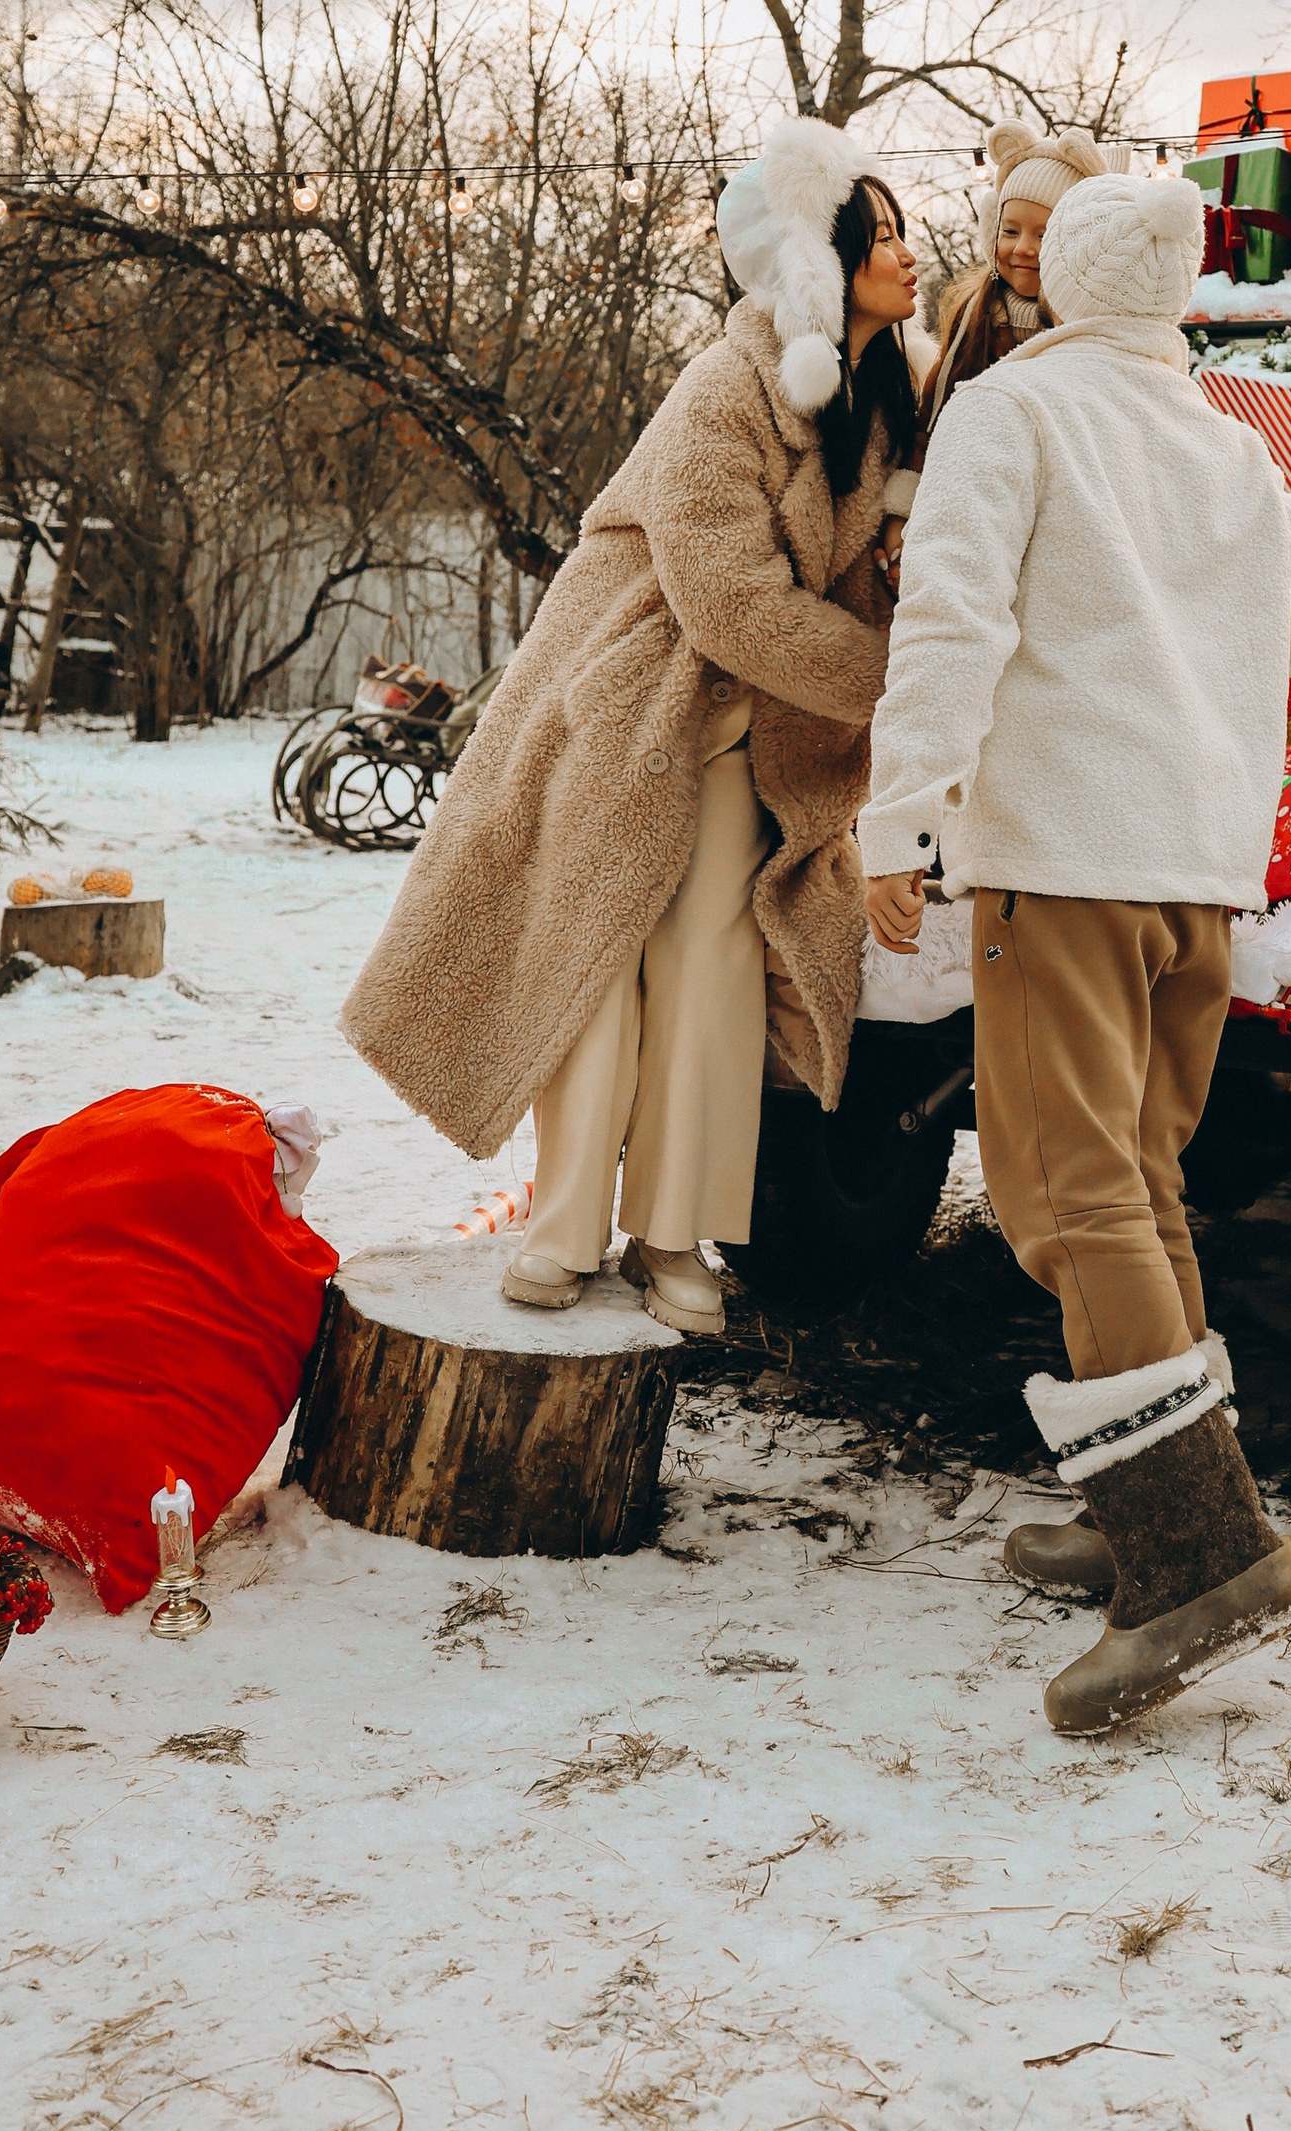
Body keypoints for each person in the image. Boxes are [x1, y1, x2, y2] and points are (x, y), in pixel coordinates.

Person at [858, 170, 1291, 1735]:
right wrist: (1189, 638)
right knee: (1136, 1184)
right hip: (1197, 875)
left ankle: (1200, 1555)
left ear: (1064, 279)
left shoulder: (1017, 411)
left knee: (1069, 1193)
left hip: (1070, 857)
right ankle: (1136, 1502)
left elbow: (950, 618)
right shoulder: (1238, 445)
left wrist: (901, 817)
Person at [341, 119, 921, 1334]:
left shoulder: (877, 412)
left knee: (708, 964)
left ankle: (674, 1237)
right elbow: (731, 599)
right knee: (597, 956)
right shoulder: (725, 385)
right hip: (631, 706)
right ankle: (564, 1230)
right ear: (820, 260)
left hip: (751, 730)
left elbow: (849, 580)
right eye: (882, 234)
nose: (909, 253)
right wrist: (895, 676)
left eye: (906, 231)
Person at [918, 122, 1110, 442]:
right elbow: (933, 415)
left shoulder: (1089, 328)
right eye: (1010, 231)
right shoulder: (975, 315)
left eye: (1044, 235)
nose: (1023, 247)